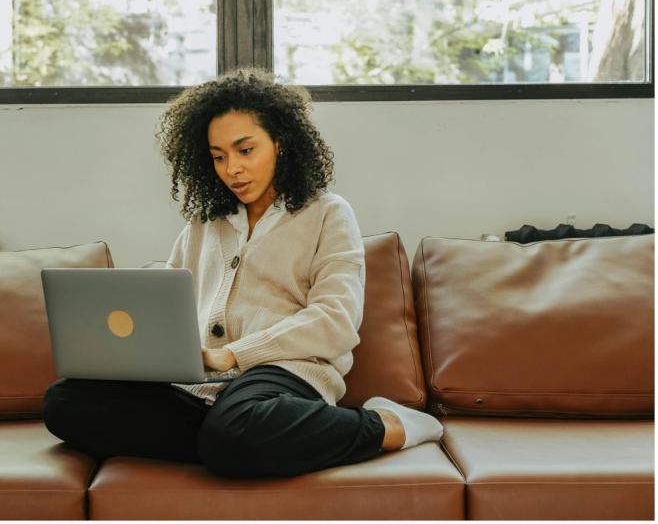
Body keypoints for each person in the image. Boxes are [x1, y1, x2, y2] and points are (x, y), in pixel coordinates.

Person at [42, 68, 443, 479]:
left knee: (237, 427)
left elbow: (336, 321)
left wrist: (235, 354)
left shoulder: (328, 214)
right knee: (65, 402)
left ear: (281, 143)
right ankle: (234, 444)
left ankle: (386, 425)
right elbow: (169, 311)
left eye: (245, 150)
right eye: (218, 156)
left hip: (284, 377)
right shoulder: (202, 224)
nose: (231, 168)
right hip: (198, 389)